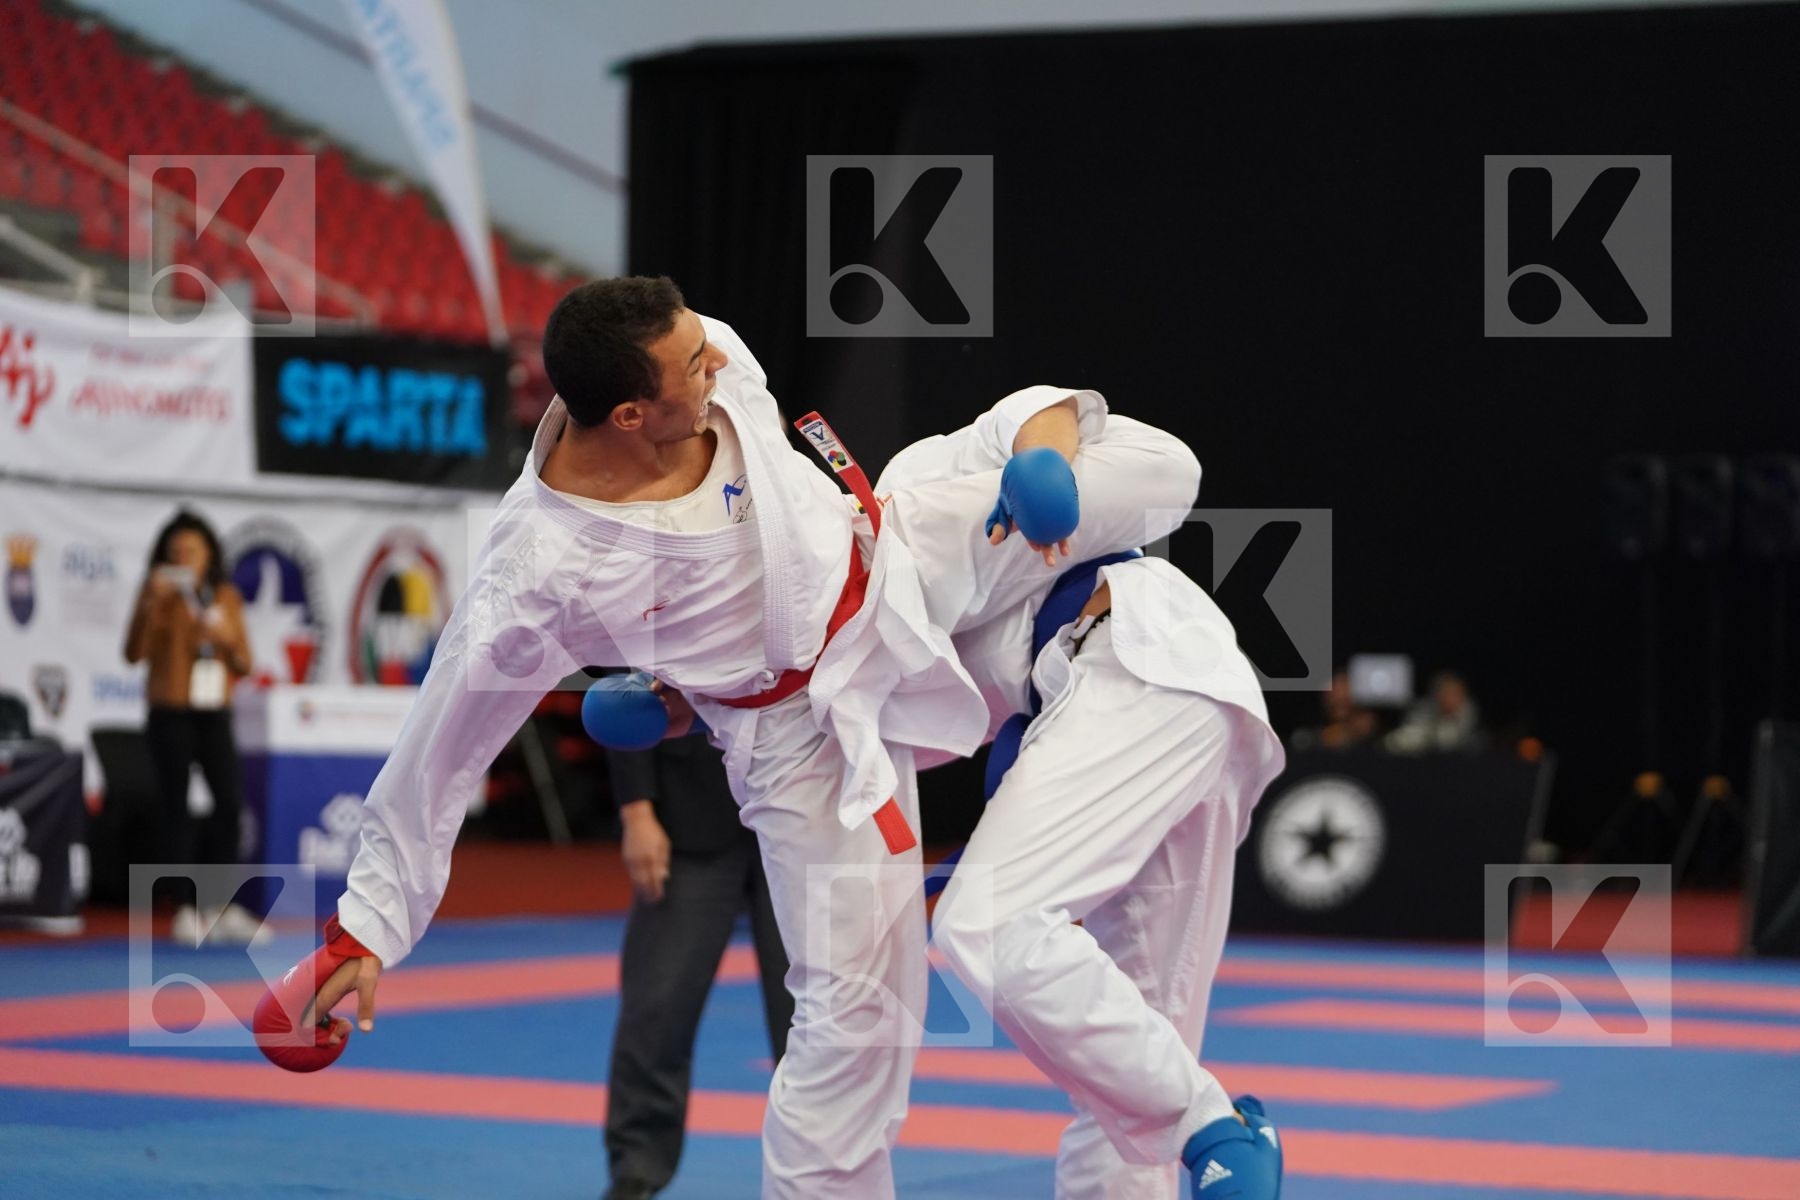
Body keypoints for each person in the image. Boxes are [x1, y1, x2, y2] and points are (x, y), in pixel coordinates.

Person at [308, 277, 1200, 1199]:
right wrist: (364, 926)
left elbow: (755, 475)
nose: (720, 361)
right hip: (794, 733)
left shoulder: (710, 357)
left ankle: (1035, 486)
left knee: (1161, 468)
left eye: (703, 342)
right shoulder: (540, 571)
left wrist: (1038, 461)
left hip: (895, 559)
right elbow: (441, 746)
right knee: (857, 1016)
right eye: (693, 365)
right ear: (626, 413)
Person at [880, 473, 1287, 1200]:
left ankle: (1212, 1124)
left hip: (1125, 661)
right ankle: (1197, 1130)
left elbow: (1082, 434)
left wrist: (1042, 460)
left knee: (992, 924)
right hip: (1176, 688)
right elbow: (970, 742)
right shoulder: (829, 621)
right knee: (1129, 1044)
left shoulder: (912, 494)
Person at [602, 716, 791, 1200]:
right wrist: (635, 811)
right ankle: (636, 1170)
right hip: (687, 814)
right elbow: (630, 685)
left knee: (812, 1020)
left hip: (803, 804)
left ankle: (821, 1171)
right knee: (656, 1007)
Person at [123, 510, 259, 946]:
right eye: (175, 552)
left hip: (213, 709)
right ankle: (183, 907)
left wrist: (222, 636)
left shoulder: (225, 596)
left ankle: (219, 905)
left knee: (229, 803)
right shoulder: (157, 596)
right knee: (175, 808)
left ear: (209, 556)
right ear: (164, 558)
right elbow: (133, 653)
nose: (184, 558)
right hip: (170, 711)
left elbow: (245, 663)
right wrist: (150, 602)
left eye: (192, 551)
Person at [1384, 670, 1482, 754]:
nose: (1449, 699)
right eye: (1445, 693)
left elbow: (1453, 740)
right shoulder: (1423, 710)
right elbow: (1404, 739)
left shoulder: (1469, 711)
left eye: (1455, 694)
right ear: (1436, 695)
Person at [1288, 670, 1378, 751]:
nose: (1338, 702)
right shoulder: (1312, 723)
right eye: (1334, 700)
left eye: (1344, 699)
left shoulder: (1370, 725)